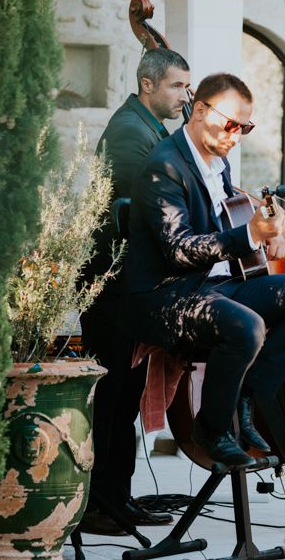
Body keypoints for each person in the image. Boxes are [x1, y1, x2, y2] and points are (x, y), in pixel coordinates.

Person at [123, 72, 285, 469]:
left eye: (246, 127)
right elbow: (179, 251)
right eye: (231, 124)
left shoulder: (217, 162)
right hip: (168, 296)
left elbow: (230, 214)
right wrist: (250, 235)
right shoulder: (163, 168)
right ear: (201, 110)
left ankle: (246, 395)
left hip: (217, 287)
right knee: (247, 326)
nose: (237, 135)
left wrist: (271, 227)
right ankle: (213, 427)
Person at [80, 48, 190, 534]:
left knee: (122, 402)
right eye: (176, 86)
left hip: (128, 289)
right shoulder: (129, 134)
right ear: (148, 84)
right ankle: (102, 505)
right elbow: (144, 213)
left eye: (187, 87)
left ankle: (118, 498)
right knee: (113, 402)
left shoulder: (146, 129)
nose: (185, 96)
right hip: (114, 291)